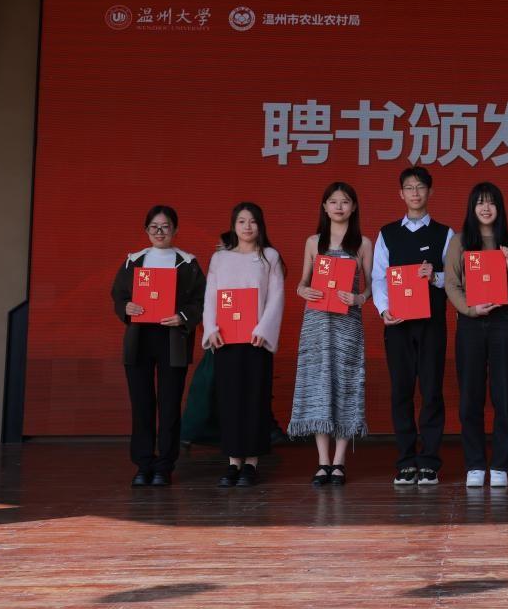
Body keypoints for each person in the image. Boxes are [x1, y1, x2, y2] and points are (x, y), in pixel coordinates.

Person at [110, 205, 206, 487]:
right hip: (139, 339)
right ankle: (143, 464)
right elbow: (118, 295)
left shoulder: (187, 262)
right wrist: (126, 307)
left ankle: (164, 465)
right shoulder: (134, 261)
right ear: (146, 230)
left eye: (165, 227)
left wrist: (183, 317)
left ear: (175, 230)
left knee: (169, 404)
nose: (160, 232)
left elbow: (202, 300)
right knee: (141, 404)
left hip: (173, 339)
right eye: (154, 227)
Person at [370, 167, 454, 486]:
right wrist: (384, 309)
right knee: (401, 392)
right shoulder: (387, 233)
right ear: (400, 194)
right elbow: (378, 277)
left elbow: (456, 279)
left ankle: (430, 461)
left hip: (432, 323)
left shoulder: (445, 233)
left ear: (430, 192)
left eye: (420, 187)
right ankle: (406, 461)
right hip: (398, 323)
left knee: (431, 391)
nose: (415, 193)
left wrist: (435, 276)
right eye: (409, 187)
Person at [288, 182, 373, 487]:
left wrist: (359, 298)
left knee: (345, 385)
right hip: (316, 323)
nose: (339, 207)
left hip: (347, 323)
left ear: (354, 207)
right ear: (324, 207)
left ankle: (339, 462)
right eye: (333, 201)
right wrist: (303, 290)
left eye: (345, 201)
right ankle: (322, 462)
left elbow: (371, 287)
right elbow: (301, 283)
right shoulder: (314, 242)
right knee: (318, 385)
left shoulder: (363, 243)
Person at [444, 182, 508, 488]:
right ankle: (476, 464)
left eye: (491, 202)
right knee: (470, 396)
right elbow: (451, 283)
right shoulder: (460, 241)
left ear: (499, 207)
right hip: (471, 321)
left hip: (503, 321)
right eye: (480, 202)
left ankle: (501, 464)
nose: (486, 208)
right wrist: (470, 308)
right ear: (472, 207)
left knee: (504, 394)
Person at [202, 202, 285, 488]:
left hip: (256, 340)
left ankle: (251, 463)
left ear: (260, 225)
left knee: (255, 399)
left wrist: (264, 329)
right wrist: (211, 328)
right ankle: (233, 462)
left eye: (252, 221)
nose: (247, 226)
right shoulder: (220, 258)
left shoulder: (269, 256)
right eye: (241, 221)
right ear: (233, 225)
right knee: (229, 400)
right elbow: (211, 296)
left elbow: (276, 297)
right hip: (226, 339)